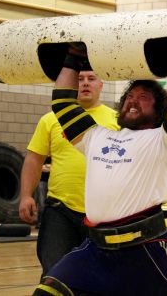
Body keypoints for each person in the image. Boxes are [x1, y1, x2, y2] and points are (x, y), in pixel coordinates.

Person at [33, 39, 167, 296]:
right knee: (47, 292)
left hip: (144, 252)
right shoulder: (95, 135)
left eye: (143, 98)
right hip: (95, 251)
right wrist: (73, 57)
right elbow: (63, 104)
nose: (133, 102)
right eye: (130, 97)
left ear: (158, 111)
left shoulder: (166, 141)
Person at [19, 70, 119, 276]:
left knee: (102, 277)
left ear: (101, 84)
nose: (85, 84)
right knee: (55, 275)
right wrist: (26, 195)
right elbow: (34, 159)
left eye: (91, 79)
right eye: (79, 79)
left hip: (105, 214)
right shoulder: (50, 119)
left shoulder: (116, 120)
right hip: (60, 210)